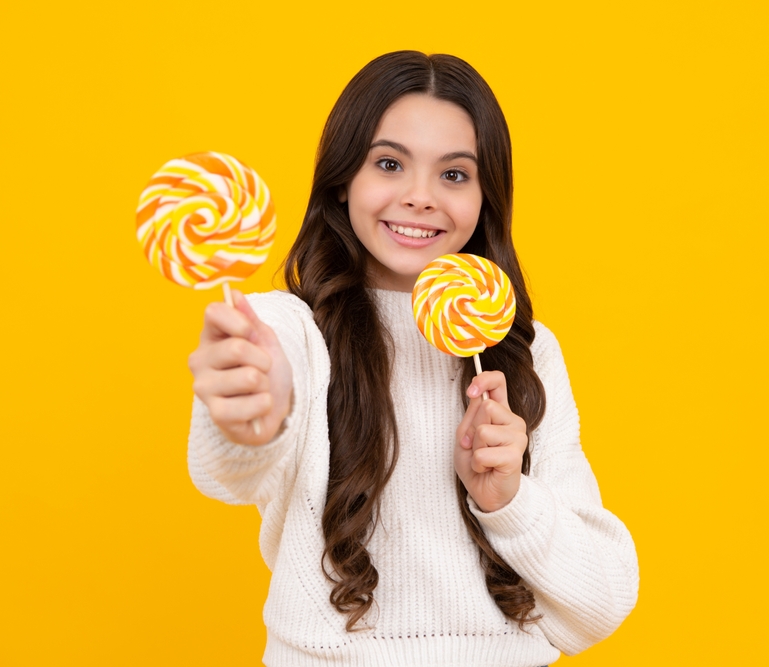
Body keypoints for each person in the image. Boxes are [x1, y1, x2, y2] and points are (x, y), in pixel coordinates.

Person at [186, 50, 639, 666]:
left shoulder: (523, 352)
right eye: (390, 163)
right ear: (345, 179)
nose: (420, 197)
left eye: (454, 175)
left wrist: (508, 500)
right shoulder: (290, 327)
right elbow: (229, 467)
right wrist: (252, 415)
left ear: (486, 196)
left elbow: (602, 603)